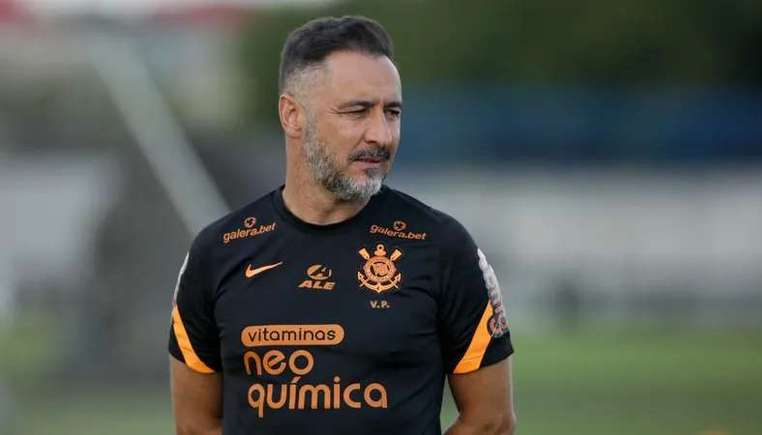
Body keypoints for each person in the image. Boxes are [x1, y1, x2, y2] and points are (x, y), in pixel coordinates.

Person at [169, 15, 516, 435]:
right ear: (292, 115)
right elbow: (194, 424)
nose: (382, 135)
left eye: (392, 112)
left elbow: (491, 421)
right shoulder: (218, 252)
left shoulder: (441, 248)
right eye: (357, 112)